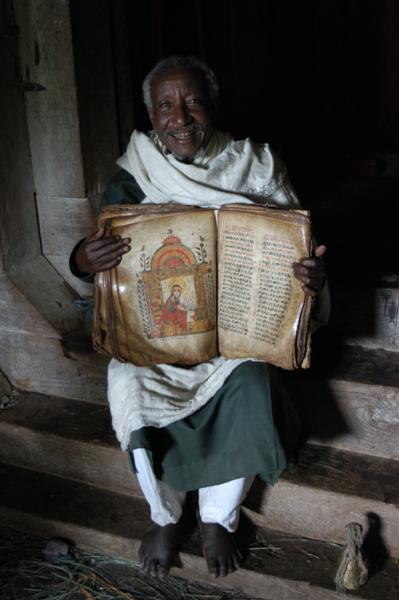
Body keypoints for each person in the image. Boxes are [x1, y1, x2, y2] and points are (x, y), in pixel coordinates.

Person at [70, 56, 329, 579]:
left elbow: (297, 246)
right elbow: (96, 252)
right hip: (160, 335)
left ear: (211, 107)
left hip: (237, 335)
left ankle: (217, 517)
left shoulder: (254, 167)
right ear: (151, 114)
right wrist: (82, 259)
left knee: (253, 381)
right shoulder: (136, 171)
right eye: (166, 105)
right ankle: (165, 515)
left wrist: (310, 280)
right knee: (129, 384)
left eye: (191, 102)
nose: (180, 117)